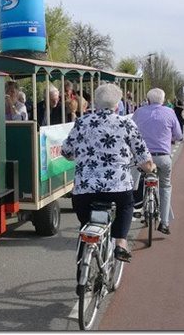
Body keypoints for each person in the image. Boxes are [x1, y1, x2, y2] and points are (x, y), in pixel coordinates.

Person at [62, 83, 155, 263]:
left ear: (95, 103)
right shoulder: (126, 123)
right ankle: (120, 243)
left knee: (85, 224)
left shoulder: (82, 122)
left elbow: (66, 152)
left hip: (84, 190)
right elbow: (143, 158)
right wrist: (150, 168)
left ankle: (85, 257)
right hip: (118, 188)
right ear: (117, 104)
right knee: (127, 205)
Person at [132, 88, 183, 235]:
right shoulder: (170, 112)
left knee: (134, 181)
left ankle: (136, 207)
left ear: (148, 100)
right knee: (165, 186)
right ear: (163, 100)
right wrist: (171, 138)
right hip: (163, 157)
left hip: (143, 157)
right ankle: (164, 223)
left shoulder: (139, 112)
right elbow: (178, 135)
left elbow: (131, 131)